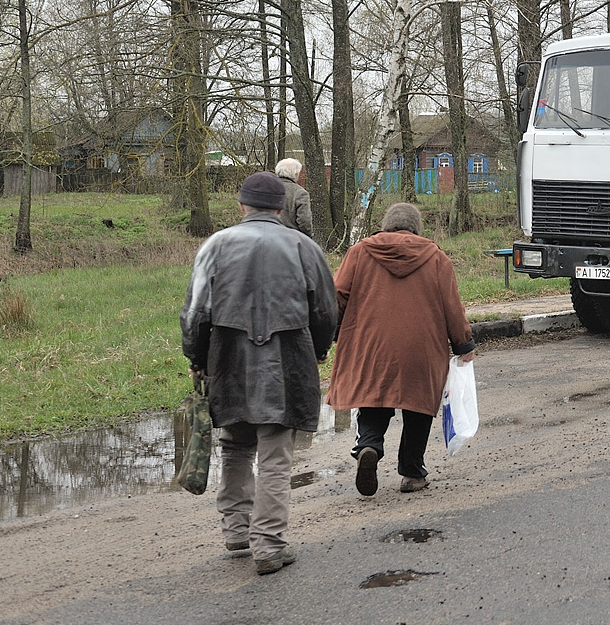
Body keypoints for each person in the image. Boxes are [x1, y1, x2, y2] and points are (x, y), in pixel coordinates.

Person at [180, 171, 336, 575]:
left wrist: (197, 358)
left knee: (235, 442)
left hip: (229, 357)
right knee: (275, 455)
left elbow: (196, 311)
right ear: (282, 207)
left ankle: (236, 530)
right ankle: (268, 545)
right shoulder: (304, 246)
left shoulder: (215, 245)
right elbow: (325, 310)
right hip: (287, 356)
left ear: (241, 206)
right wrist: (319, 350)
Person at [327, 202, 475, 496]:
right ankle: (411, 473)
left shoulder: (359, 252)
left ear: (386, 225)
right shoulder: (435, 257)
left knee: (373, 397)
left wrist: (332, 332)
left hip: (370, 345)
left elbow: (337, 296)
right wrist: (463, 344)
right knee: (417, 407)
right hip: (421, 348)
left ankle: (369, 444)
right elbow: (452, 307)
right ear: (417, 228)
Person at [274, 157, 313, 237]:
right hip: (291, 239)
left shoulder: (266, 188)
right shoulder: (300, 193)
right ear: (295, 174)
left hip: (266, 237)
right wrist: (308, 237)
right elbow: (304, 221)